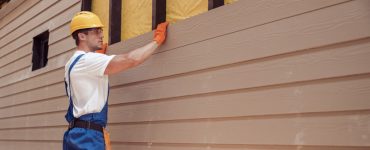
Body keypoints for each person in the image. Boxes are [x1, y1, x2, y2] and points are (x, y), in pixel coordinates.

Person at [63, 11, 169, 150]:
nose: (101, 35)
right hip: (88, 137)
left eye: (101, 31)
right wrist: (156, 41)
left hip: (74, 134)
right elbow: (131, 59)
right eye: (96, 32)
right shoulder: (88, 60)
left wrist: (99, 58)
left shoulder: (71, 63)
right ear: (81, 36)